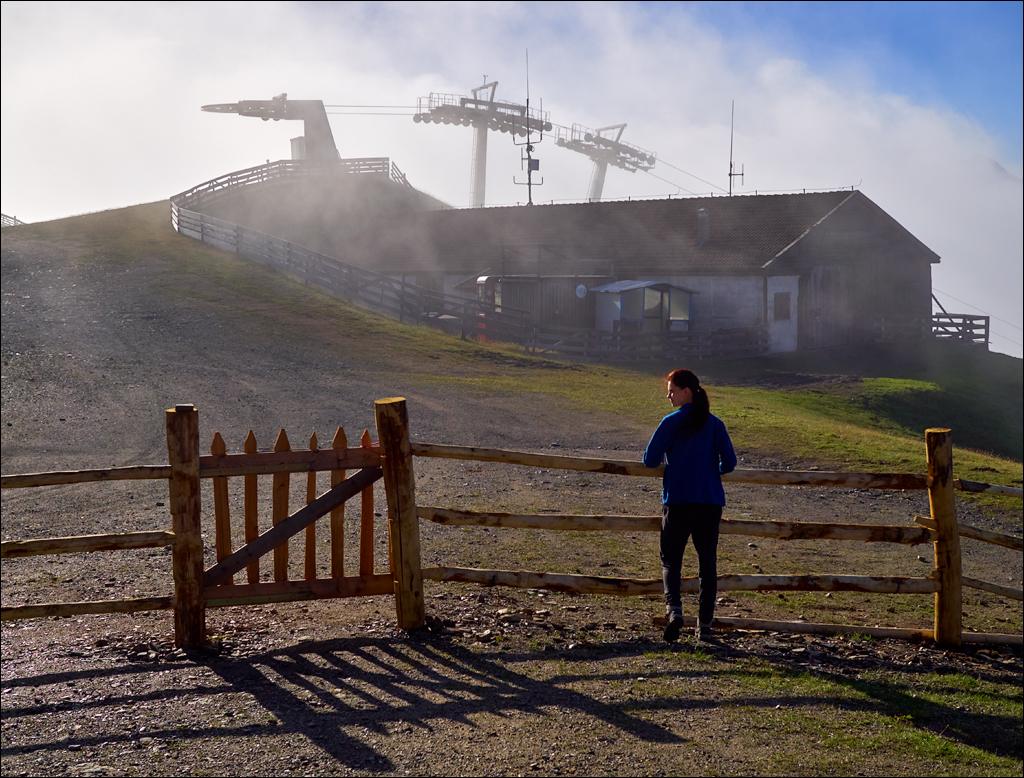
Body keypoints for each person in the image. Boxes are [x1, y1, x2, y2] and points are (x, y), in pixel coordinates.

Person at [643, 369, 737, 643]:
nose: (668, 395)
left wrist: (667, 461)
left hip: (679, 499)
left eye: (672, 390)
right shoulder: (715, 424)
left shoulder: (671, 421)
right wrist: (713, 469)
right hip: (710, 501)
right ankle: (704, 626)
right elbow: (729, 464)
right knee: (707, 563)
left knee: (671, 560)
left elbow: (649, 459)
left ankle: (675, 612)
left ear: (687, 392)